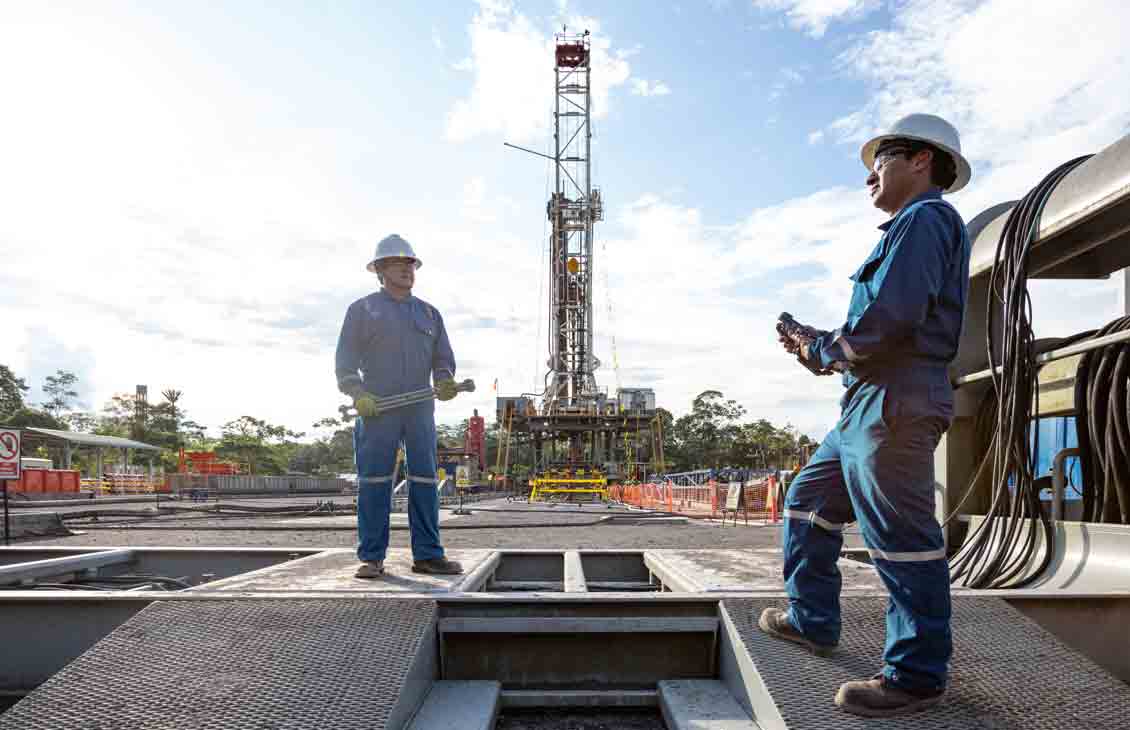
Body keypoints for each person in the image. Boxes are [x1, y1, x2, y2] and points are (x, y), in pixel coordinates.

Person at [766, 114, 972, 718]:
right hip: (866, 401)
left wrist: (824, 348)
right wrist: (817, 347)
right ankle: (812, 620)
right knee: (807, 500)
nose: (868, 177)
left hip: (896, 401)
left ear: (920, 161)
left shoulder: (927, 220)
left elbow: (891, 318)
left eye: (879, 160)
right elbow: (878, 326)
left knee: (901, 539)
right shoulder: (905, 229)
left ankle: (916, 675)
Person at [335, 234, 464, 578]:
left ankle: (428, 555)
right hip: (377, 407)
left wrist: (445, 380)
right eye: (398, 264)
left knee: (423, 479)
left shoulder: (429, 313)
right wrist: (356, 393)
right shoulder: (361, 311)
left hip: (420, 406)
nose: (408, 270)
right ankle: (372, 557)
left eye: (411, 264)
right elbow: (345, 361)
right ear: (380, 270)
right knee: (374, 481)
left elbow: (443, 358)